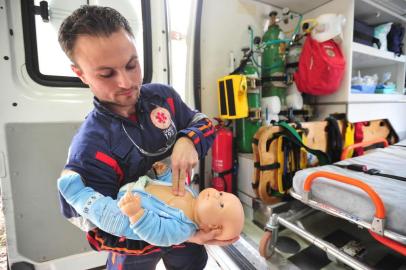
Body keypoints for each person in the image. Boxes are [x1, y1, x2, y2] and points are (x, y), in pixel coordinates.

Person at [57, 5, 234, 270]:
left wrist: (188, 140)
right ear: (80, 74)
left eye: (132, 65)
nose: (126, 82)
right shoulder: (90, 149)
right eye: (106, 74)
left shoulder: (163, 98)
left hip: (185, 218)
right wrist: (176, 235)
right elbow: (98, 231)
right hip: (134, 243)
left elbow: (204, 122)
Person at [57, 169, 244, 246]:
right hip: (136, 189)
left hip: (126, 217)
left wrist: (136, 213)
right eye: (221, 194)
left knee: (103, 212)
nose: (215, 193)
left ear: (212, 227)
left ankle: (74, 193)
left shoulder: (182, 229)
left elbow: (156, 233)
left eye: (220, 203)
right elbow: (171, 186)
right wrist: (165, 174)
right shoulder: (192, 194)